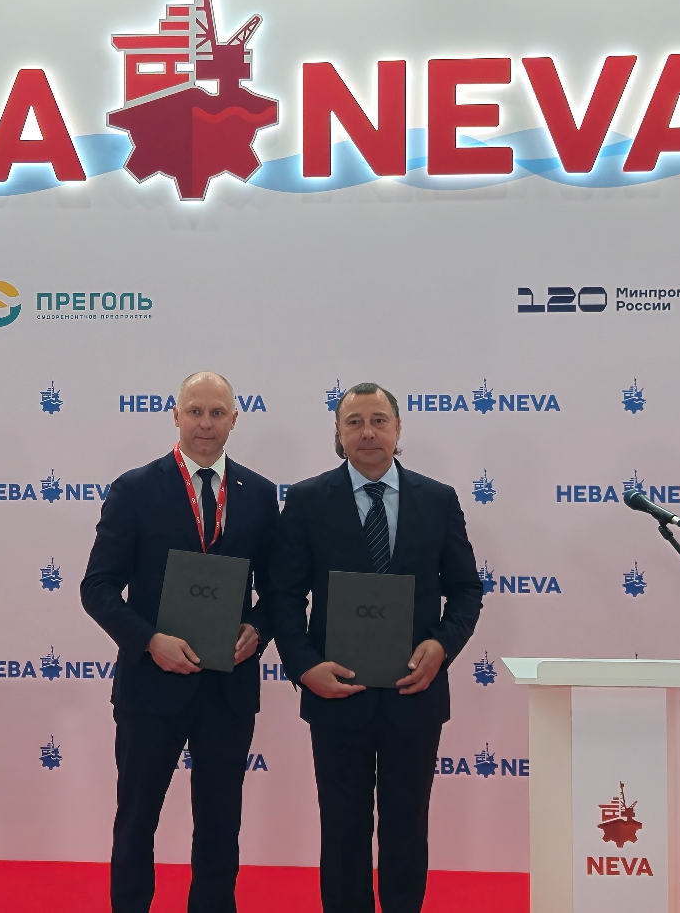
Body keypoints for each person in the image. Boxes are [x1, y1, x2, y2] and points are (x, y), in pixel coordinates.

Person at [267, 382, 484, 913]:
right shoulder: (308, 500)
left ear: (398, 429)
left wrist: (442, 644)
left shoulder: (438, 500)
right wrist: (304, 666)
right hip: (336, 692)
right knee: (343, 828)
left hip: (414, 692)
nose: (367, 432)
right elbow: (283, 594)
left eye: (379, 420)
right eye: (355, 422)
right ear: (338, 433)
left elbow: (466, 590)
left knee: (407, 826)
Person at [81, 371, 279, 913]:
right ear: (175, 416)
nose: (205, 424)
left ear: (235, 419)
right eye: (195, 412)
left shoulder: (260, 495)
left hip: (228, 688)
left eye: (217, 413)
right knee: (136, 820)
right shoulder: (134, 489)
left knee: (220, 823)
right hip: (151, 686)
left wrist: (258, 629)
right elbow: (97, 587)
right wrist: (149, 641)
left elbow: (278, 590)